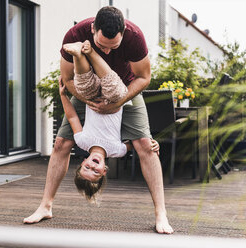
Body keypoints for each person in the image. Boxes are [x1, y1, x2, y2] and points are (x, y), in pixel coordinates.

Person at [24, 6, 174, 234]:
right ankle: (45, 206)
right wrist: (91, 101)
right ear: (93, 29)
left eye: (112, 47)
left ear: (123, 32)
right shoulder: (75, 35)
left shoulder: (134, 38)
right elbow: (67, 80)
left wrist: (116, 104)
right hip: (88, 93)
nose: (106, 51)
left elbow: (143, 78)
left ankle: (161, 214)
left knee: (145, 146)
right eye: (101, 45)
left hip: (124, 91)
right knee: (61, 143)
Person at [60, 40, 160, 201]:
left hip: (93, 96)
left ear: (83, 161)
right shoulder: (117, 151)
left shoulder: (82, 141)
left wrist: (63, 95)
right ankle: (91, 53)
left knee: (85, 87)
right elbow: (137, 144)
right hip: (115, 99)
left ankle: (79, 54)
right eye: (96, 171)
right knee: (114, 93)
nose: (92, 166)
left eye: (87, 167)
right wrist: (154, 142)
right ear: (104, 170)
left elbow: (72, 117)